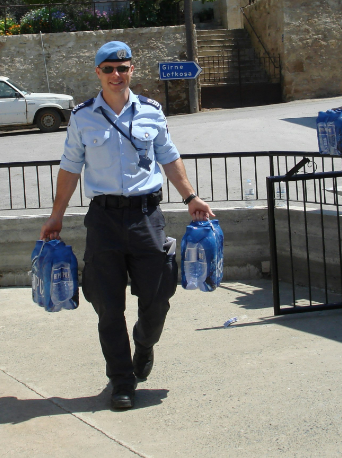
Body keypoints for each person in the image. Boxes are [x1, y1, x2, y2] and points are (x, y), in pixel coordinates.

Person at [40, 41, 213, 410]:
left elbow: (169, 157)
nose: (117, 75)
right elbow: (70, 168)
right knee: (107, 305)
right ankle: (121, 380)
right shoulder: (83, 116)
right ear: (98, 73)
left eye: (123, 68)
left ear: (132, 70)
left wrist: (191, 197)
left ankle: (145, 343)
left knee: (158, 297)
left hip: (146, 216)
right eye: (109, 69)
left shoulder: (151, 111)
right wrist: (56, 215)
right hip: (103, 219)